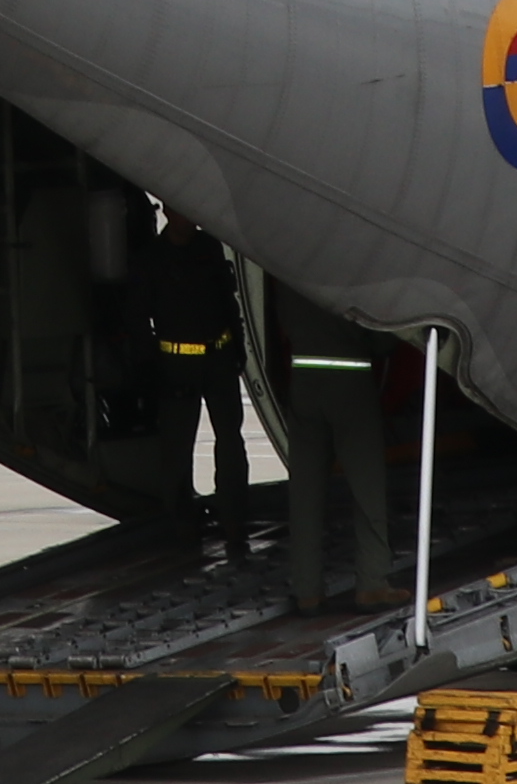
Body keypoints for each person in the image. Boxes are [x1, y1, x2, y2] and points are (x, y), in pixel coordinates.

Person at [125, 211, 253, 553]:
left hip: (219, 358)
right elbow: (138, 320)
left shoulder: (209, 248)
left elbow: (229, 302)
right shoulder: (151, 259)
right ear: (167, 211)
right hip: (178, 364)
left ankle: (234, 521)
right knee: (178, 448)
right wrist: (152, 369)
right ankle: (184, 522)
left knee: (230, 441)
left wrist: (238, 347)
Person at [272, 288, 397, 610]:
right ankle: (372, 583)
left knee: (305, 494)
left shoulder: (291, 273)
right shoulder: (347, 273)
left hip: (304, 379)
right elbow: (380, 339)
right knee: (367, 489)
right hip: (350, 380)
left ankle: (307, 591)